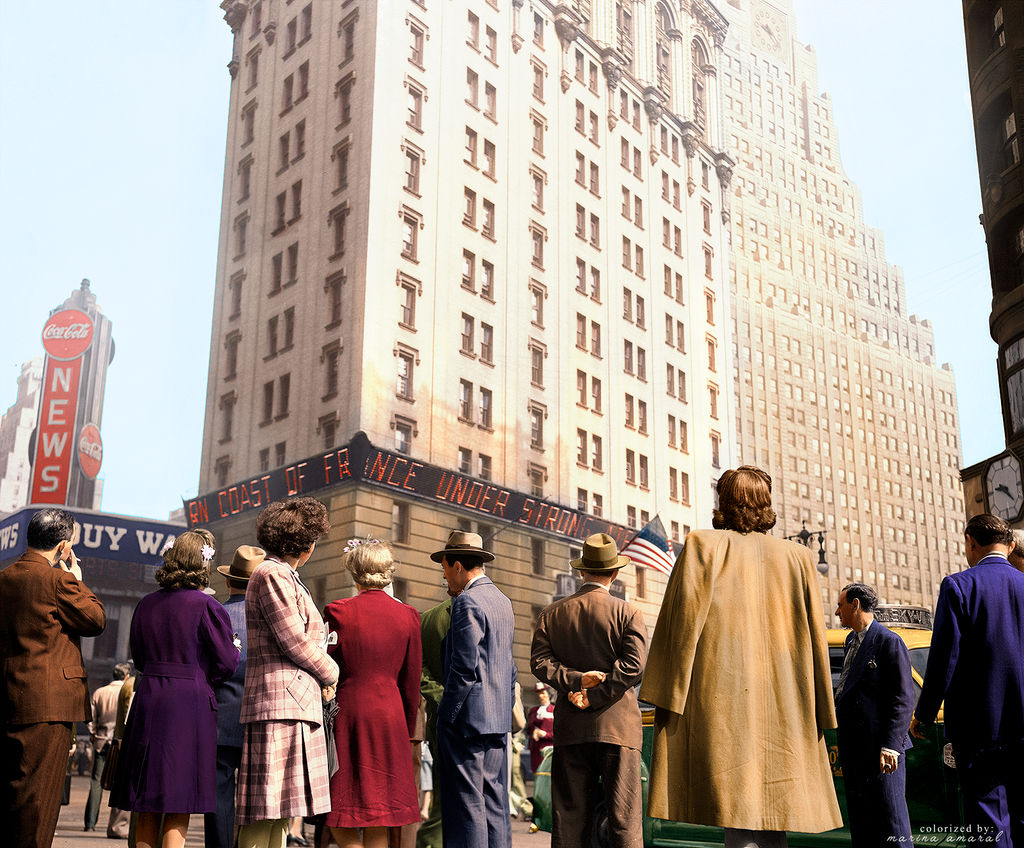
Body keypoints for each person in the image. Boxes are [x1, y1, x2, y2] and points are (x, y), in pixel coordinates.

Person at [640, 466, 841, 848]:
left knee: (738, 814)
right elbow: (815, 636)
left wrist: (664, 692)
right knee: (775, 816)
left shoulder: (702, 545)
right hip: (787, 705)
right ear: (766, 503)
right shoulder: (799, 557)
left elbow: (679, 627)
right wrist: (821, 707)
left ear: (724, 503)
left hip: (723, 703)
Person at [110, 529, 240, 848]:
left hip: (150, 698)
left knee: (148, 799)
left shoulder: (146, 604)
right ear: (203, 563)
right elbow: (226, 664)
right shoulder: (207, 606)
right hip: (190, 703)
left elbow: (139, 658)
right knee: (179, 799)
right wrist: (231, 649)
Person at [911, 513, 1024, 845]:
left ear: (970, 544)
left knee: (988, 820)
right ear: (1011, 545)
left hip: (979, 727)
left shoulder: (958, 585)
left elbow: (944, 658)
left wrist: (925, 713)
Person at [530, 533, 648, 848]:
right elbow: (633, 667)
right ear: (615, 572)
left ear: (582, 571)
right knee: (624, 824)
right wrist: (594, 693)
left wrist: (576, 682)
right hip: (618, 729)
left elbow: (540, 663)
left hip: (571, 729)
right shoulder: (629, 613)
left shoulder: (553, 613)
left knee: (568, 822)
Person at [235, 497, 340, 848]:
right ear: (305, 543)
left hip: (289, 703)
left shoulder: (281, 574)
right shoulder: (273, 574)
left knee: (279, 810)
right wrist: (331, 670)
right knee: (265, 809)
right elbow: (293, 640)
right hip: (279, 705)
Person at [0, 507, 106, 848]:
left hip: (8, 698)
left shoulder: (4, 578)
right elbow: (95, 620)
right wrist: (75, 577)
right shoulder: (58, 581)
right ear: (63, 547)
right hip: (48, 706)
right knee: (39, 806)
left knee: (13, 798)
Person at [322, 538, 422, 848]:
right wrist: (407, 728)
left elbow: (324, 666)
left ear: (354, 571)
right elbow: (411, 680)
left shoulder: (337, 611)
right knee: (382, 810)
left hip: (350, 712)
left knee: (340, 805)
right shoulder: (409, 615)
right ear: (388, 572)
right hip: (391, 715)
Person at [433, 530, 516, 848]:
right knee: (495, 805)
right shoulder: (502, 601)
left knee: (467, 807)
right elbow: (509, 667)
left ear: (456, 565)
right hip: (496, 719)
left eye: (444, 569)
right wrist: (504, 707)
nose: (444, 578)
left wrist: (446, 715)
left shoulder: (467, 601)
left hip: (467, 722)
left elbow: (463, 670)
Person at [833, 583, 913, 847]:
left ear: (855, 605)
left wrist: (891, 746)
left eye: (841, 605)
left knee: (891, 822)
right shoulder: (850, 640)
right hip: (855, 750)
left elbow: (902, 699)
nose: (837, 612)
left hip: (882, 752)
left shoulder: (889, 641)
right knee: (863, 824)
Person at [204, 545, 265, 848]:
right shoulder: (269, 620)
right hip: (261, 719)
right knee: (258, 798)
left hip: (220, 718)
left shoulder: (217, 614)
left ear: (229, 581)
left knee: (218, 794)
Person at [417, 590, 454, 848]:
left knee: (443, 797)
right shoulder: (430, 619)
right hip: (470, 723)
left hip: (441, 720)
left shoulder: (427, 618)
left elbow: (420, 670)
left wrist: (441, 698)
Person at [84, 662, 130, 832]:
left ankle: (90, 823)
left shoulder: (100, 692)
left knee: (96, 782)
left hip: (101, 741)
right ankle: (116, 825)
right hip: (119, 742)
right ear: (126, 676)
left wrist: (94, 734)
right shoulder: (126, 692)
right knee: (120, 781)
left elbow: (91, 718)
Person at [525, 682, 554, 775]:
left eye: (543, 693)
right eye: (538, 694)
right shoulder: (534, 711)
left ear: (548, 694)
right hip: (536, 751)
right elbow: (528, 729)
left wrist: (546, 734)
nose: (541, 696)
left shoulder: (554, 710)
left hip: (549, 750)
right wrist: (534, 732)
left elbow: (561, 732)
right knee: (537, 776)